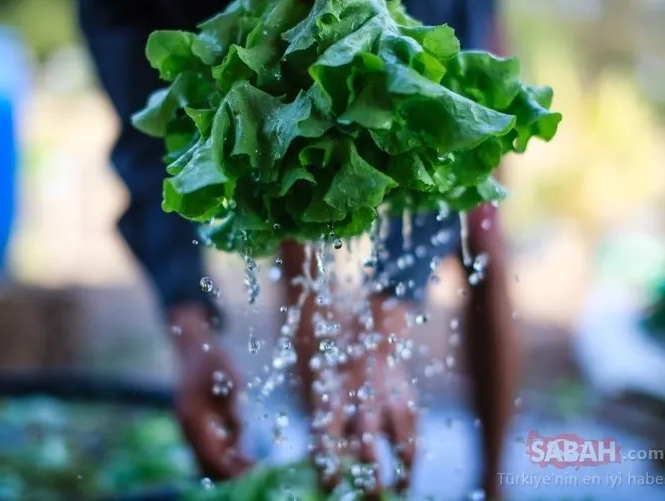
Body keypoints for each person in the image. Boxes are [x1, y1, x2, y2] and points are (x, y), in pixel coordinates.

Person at [78, 0, 519, 499]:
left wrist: (383, 330)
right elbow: (151, 152)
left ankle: (495, 483)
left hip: (433, 22)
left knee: (480, 227)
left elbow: (441, 124)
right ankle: (339, 461)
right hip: (277, 51)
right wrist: (191, 336)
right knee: (294, 221)